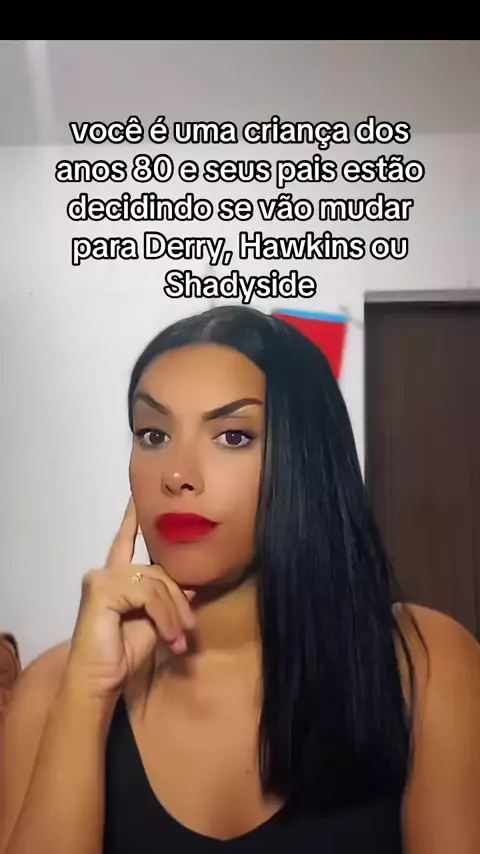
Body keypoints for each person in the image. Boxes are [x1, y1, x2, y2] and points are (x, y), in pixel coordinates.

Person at [1, 305, 479, 854]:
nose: (177, 475)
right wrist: (88, 696)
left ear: (304, 463)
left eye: (232, 436)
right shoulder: (51, 690)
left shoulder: (428, 665)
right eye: (153, 434)